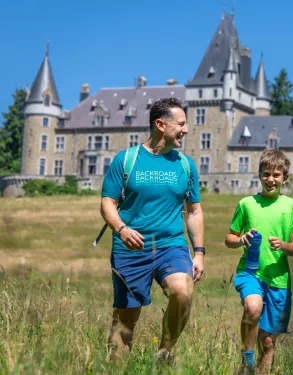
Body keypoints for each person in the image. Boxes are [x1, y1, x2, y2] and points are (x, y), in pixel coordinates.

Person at [100, 97, 205, 361]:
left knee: (182, 291)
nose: (186, 129)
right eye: (181, 124)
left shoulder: (185, 164)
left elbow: (194, 211)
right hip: (130, 249)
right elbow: (107, 203)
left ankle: (164, 353)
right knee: (124, 328)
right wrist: (122, 229)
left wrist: (200, 252)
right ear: (161, 124)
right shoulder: (127, 160)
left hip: (171, 245)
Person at [225, 150, 293, 375]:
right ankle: (246, 362)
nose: (271, 179)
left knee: (268, 343)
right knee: (253, 306)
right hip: (250, 272)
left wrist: (283, 245)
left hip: (279, 279)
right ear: (259, 174)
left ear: (285, 178)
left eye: (276, 175)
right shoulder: (247, 203)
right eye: (266, 174)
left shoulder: (292, 206)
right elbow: (229, 239)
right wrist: (241, 239)